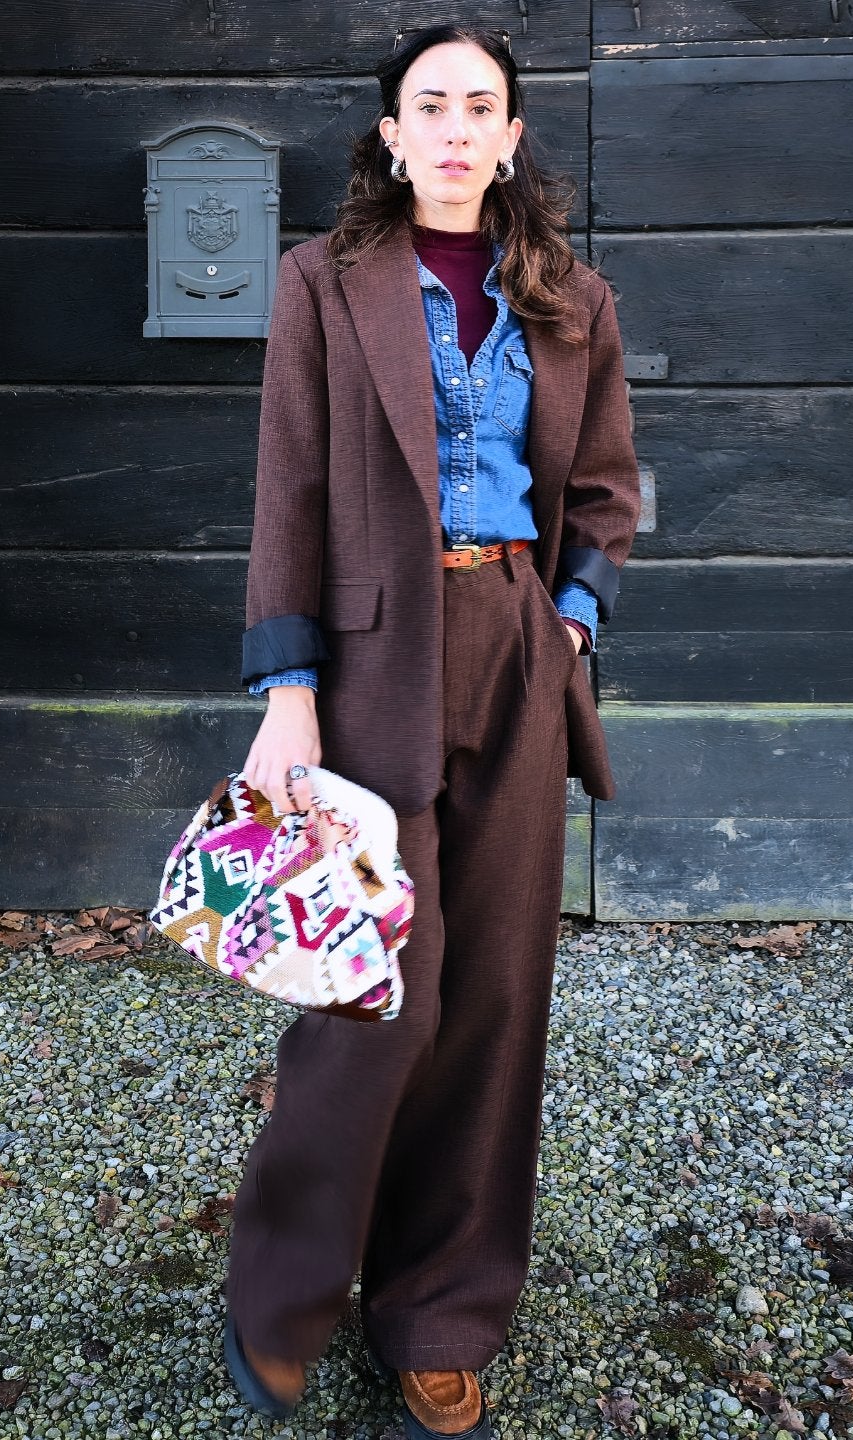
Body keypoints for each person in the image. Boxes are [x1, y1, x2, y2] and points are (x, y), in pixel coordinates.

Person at [220, 23, 642, 1439]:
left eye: (481, 108)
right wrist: (290, 693)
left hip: (516, 652)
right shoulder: (323, 285)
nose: (455, 130)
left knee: (496, 999)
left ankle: (442, 1313)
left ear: (512, 137)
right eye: (429, 106)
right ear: (391, 135)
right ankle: (280, 1286)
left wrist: (569, 617)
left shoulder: (572, 298)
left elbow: (603, 486)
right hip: (369, 666)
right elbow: (288, 490)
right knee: (374, 989)